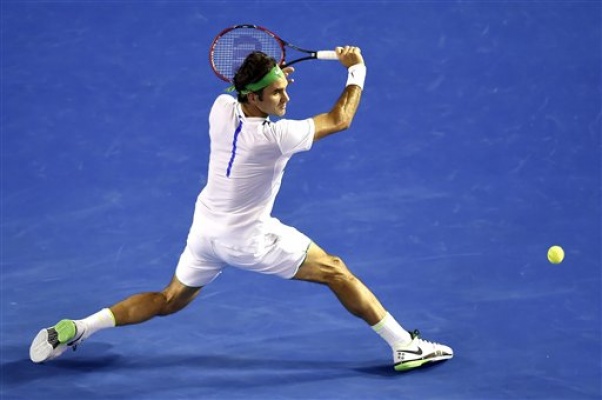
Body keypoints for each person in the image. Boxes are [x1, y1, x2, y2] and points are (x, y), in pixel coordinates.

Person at [29, 46, 453, 372]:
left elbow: (244, 93)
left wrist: (270, 78)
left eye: (285, 87)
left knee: (169, 299)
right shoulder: (274, 138)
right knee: (337, 271)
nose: (287, 96)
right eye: (277, 92)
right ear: (253, 98)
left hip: (206, 231)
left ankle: (79, 328)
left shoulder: (221, 108)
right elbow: (340, 119)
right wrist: (356, 69)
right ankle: (404, 345)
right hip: (248, 238)